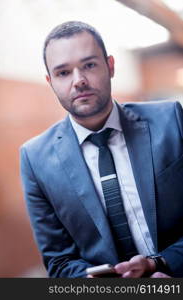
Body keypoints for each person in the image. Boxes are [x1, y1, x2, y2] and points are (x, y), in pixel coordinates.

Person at [20, 21, 183, 278]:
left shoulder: (171, 120)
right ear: (50, 82)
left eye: (89, 65)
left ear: (110, 66)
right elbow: (59, 261)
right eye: (63, 73)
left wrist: (160, 264)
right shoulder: (34, 158)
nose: (79, 81)